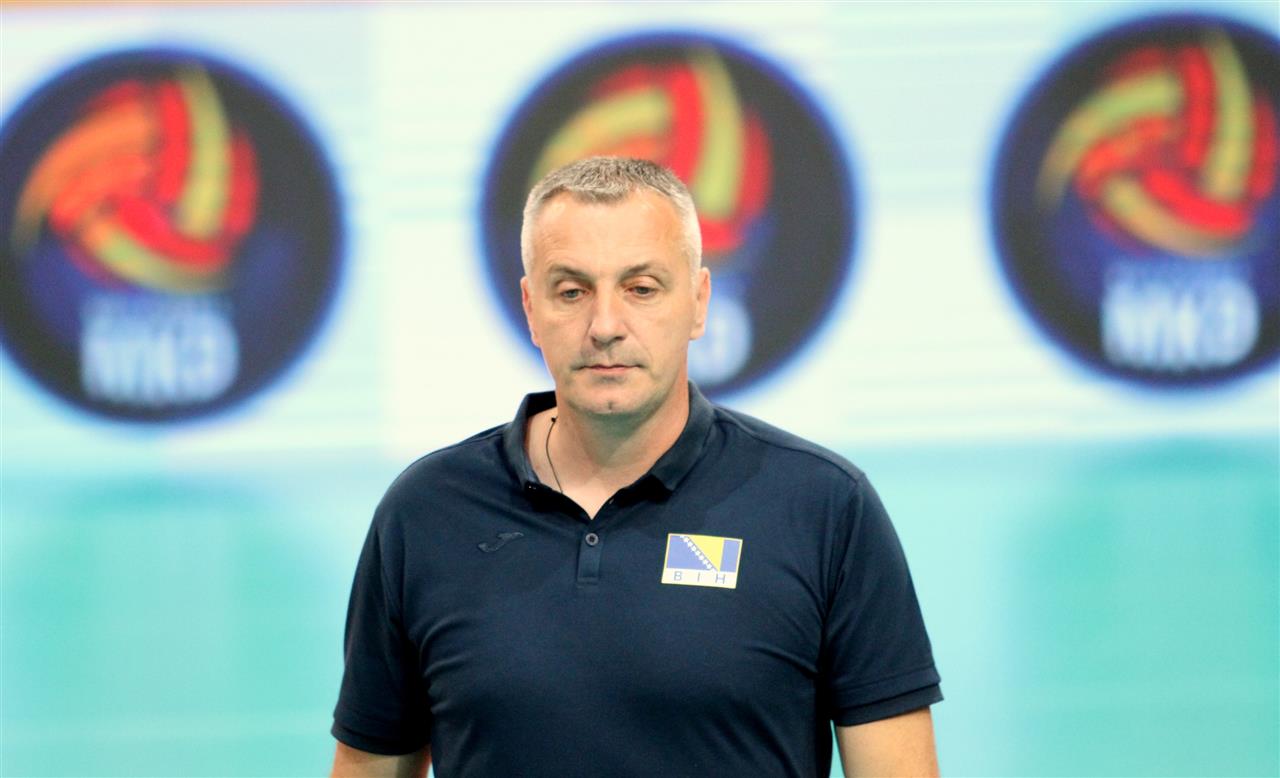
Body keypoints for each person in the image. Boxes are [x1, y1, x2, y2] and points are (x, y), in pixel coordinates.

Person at [330, 157, 942, 778]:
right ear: (530, 307)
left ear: (698, 302)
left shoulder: (824, 508)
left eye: (641, 288)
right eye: (571, 291)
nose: (605, 326)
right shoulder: (425, 513)